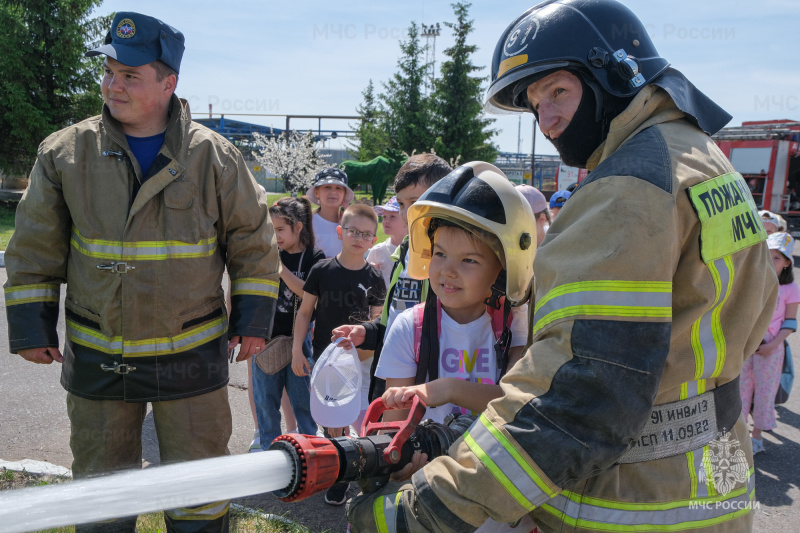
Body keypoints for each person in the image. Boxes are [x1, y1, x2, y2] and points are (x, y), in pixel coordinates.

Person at [347, 1, 777, 531]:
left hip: (633, 502)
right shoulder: (706, 161)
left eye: (558, 92)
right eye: (533, 103)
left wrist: (425, 510)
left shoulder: (627, 190)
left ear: (615, 74)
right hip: (717, 485)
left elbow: (573, 399)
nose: (546, 120)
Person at [3, 12, 279, 533]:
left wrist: (254, 319)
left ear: (168, 83)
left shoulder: (215, 157)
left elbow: (253, 240)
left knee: (199, 490)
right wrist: (31, 327)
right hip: (98, 356)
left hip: (191, 360)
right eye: (109, 71)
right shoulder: (64, 153)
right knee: (101, 491)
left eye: (130, 75)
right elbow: (35, 245)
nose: (113, 84)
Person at [332, 153, 452, 404]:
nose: (408, 213)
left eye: (416, 202)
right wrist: (366, 332)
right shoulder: (405, 252)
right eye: (401, 204)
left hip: (427, 386)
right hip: (390, 379)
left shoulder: (452, 258)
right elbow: (394, 319)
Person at [291, 203, 386, 505]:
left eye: (366, 234)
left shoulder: (376, 278)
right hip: (325, 361)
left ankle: (359, 467)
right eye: (353, 231)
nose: (359, 238)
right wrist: (297, 350)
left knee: (359, 419)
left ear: (374, 239)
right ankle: (338, 476)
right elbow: (305, 313)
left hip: (361, 363)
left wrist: (364, 353)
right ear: (340, 232)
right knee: (333, 422)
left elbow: (376, 323)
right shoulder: (322, 271)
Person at [251, 197, 326, 451]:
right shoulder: (268, 255)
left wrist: (279, 267)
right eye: (271, 230)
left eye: (280, 229)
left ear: (298, 227)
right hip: (266, 339)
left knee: (303, 403)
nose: (276, 236)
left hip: (300, 340)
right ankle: (269, 454)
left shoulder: (316, 257)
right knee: (266, 404)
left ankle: (312, 454)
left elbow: (308, 295)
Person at [740, 232, 799, 455]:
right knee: (740, 392)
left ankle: (756, 438)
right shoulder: (753, 281)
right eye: (768, 256)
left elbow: (791, 321)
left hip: (771, 349)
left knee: (764, 393)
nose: (770, 261)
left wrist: (773, 345)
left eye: (776, 258)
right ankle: (739, 433)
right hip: (747, 346)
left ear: (786, 263)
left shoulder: (790, 289)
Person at [307, 167, 354, 257]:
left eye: (338, 188)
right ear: (316, 192)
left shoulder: (353, 224)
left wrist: (348, 226)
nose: (333, 192)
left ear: (344, 194)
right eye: (327, 187)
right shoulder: (308, 223)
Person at [368, 196, 408, 286]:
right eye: (384, 217)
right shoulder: (377, 251)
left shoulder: (416, 250)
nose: (386, 221)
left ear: (406, 219)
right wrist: (371, 273)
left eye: (392, 216)